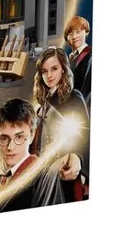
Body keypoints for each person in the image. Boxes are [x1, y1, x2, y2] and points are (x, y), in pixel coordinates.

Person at [0, 99, 63, 212]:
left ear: (32, 136)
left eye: (19, 137)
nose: (10, 147)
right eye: (4, 138)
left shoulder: (45, 179)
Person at [31, 47, 90, 202]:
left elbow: (85, 136)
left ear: (63, 69)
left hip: (63, 172)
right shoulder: (43, 99)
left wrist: (77, 158)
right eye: (44, 71)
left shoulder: (73, 97)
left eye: (54, 69)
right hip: (41, 170)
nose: (49, 75)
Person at [64, 16, 92, 107]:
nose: (74, 36)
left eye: (78, 32)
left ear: (86, 32)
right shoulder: (68, 59)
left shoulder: (90, 55)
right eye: (70, 34)